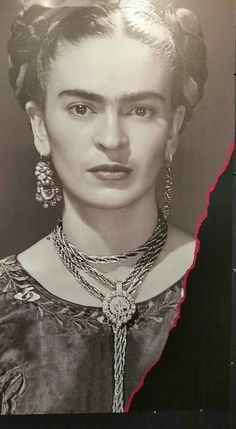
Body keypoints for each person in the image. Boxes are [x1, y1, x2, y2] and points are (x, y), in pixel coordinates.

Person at [0, 0, 207, 414]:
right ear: (40, 125)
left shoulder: (219, 281)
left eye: (140, 110)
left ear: (174, 129)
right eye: (82, 108)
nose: (112, 138)